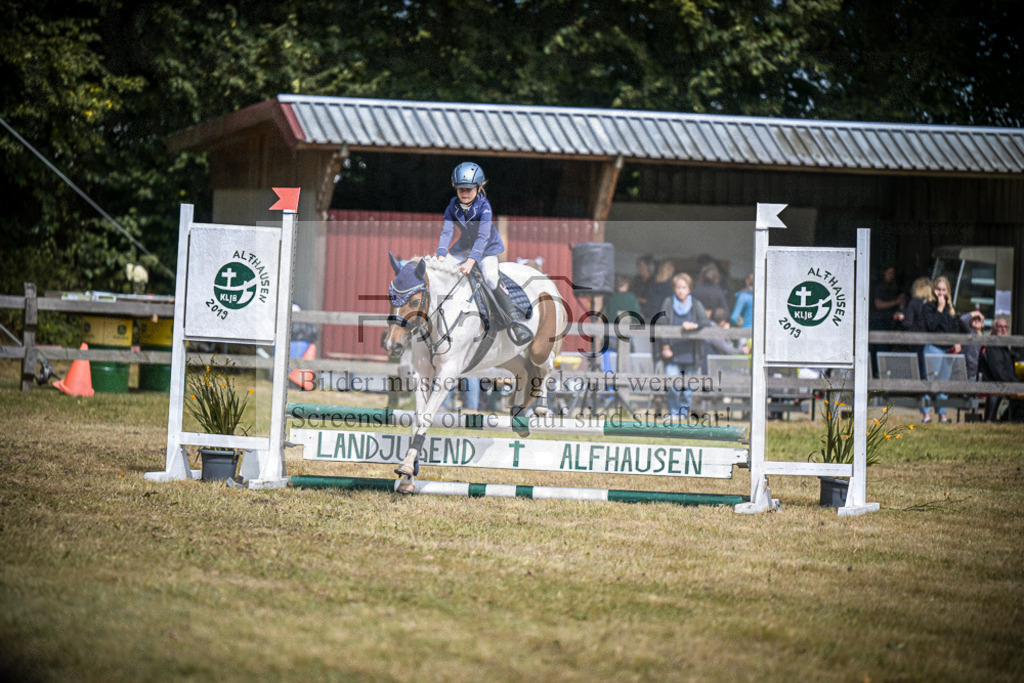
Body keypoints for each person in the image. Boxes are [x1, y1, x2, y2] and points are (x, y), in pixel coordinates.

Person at [436, 161, 531, 343]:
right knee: (443, 270)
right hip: (464, 247)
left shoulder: (485, 207)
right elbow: (447, 231)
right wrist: (441, 253)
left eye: (469, 189)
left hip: (486, 248)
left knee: (490, 277)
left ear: (478, 189)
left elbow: (482, 237)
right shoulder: (452, 205)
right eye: (460, 189)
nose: (464, 193)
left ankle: (514, 322)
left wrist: (471, 261)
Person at [657, 273, 711, 418]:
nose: (681, 290)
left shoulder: (695, 304)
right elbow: (661, 324)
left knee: (688, 389)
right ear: (674, 289)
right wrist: (665, 346)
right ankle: (674, 412)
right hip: (673, 352)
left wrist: (694, 325)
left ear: (689, 289)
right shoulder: (668, 303)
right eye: (678, 287)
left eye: (684, 287)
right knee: (672, 384)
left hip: (691, 353)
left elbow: (705, 322)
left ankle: (682, 413)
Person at [922, 276, 962, 423]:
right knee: (929, 382)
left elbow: (955, 327)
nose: (940, 292)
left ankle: (942, 414)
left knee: (943, 383)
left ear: (948, 291)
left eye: (943, 290)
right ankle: (926, 414)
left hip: (948, 350)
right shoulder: (929, 306)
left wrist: (957, 342)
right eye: (938, 289)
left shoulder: (951, 308)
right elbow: (931, 325)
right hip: (933, 348)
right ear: (934, 290)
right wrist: (939, 308)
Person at [898, 276, 933, 422]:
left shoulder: (913, 302)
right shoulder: (931, 304)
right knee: (929, 374)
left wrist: (901, 318)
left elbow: (908, 322)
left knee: (919, 373)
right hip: (930, 344)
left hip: (916, 343)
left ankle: (921, 403)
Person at [979, 318, 1022, 421]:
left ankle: (1008, 418)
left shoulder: (1003, 346)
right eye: (1000, 327)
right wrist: (1015, 383)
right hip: (994, 384)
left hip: (1004, 382)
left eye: (1005, 327)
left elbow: (1014, 356)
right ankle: (999, 419)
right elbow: (998, 372)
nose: (1003, 330)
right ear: (992, 330)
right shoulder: (992, 346)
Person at [959, 310, 986, 380]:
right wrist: (977, 313)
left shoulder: (984, 337)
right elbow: (962, 320)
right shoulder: (968, 331)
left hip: (975, 373)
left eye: (979, 319)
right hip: (963, 370)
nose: (976, 320)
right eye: (974, 319)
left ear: (983, 324)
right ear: (970, 322)